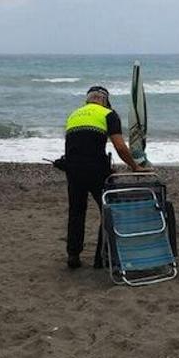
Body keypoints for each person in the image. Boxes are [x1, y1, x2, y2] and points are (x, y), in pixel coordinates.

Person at [64, 86, 142, 270]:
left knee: (76, 212)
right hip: (95, 170)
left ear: (87, 100)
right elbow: (120, 147)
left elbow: (78, 146)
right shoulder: (109, 114)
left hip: (73, 169)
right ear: (105, 101)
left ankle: (73, 255)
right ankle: (102, 258)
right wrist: (135, 166)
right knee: (108, 211)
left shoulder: (74, 115)